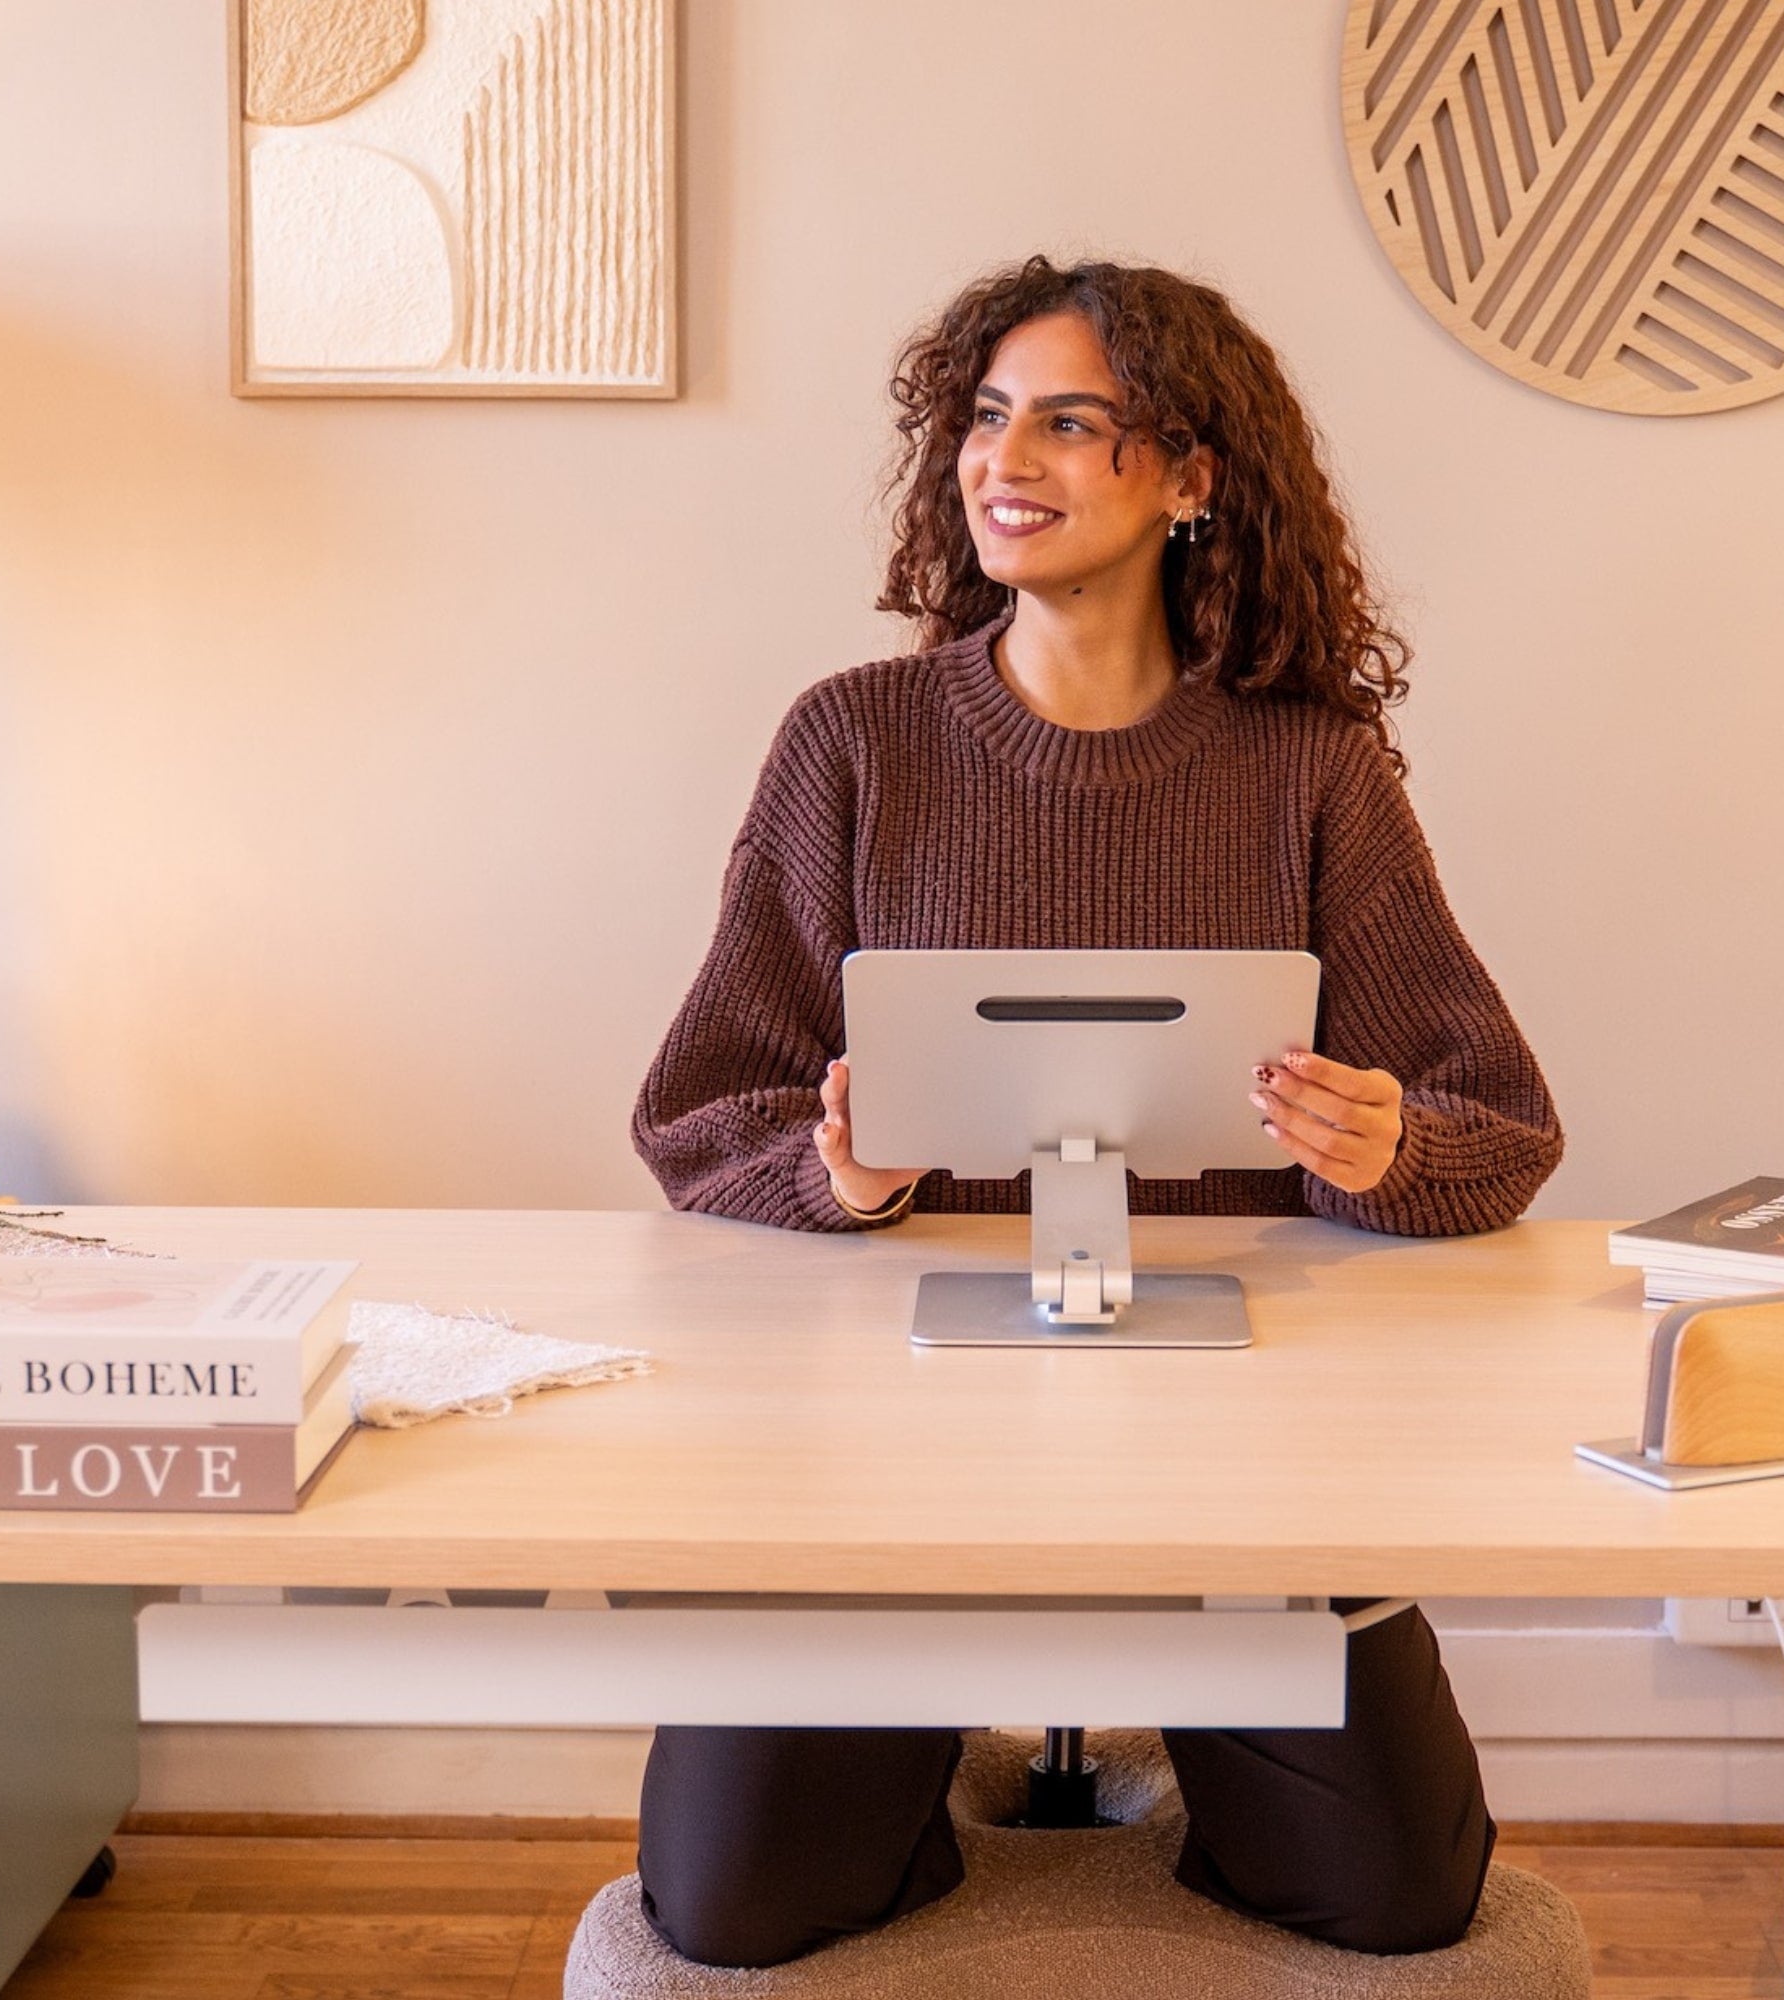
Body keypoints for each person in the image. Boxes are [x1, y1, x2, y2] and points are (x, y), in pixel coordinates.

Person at [631, 255, 1562, 1969]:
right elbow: (700, 1113)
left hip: (1249, 1443)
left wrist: (1387, 1146)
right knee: (738, 1901)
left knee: (1398, 1896)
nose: (1009, 460)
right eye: (988, 419)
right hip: (882, 1443)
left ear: (1192, 478)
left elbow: (1494, 1121)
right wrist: (844, 1175)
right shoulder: (852, 741)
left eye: (1071, 421)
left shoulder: (1310, 768)